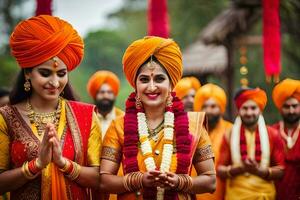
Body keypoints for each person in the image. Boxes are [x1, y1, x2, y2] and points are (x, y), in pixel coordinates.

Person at [100, 36, 216, 200]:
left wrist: (179, 181)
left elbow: (210, 181)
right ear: (136, 84)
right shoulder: (118, 126)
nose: (152, 87)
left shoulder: (193, 125)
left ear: (171, 84)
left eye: (159, 79)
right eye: (144, 79)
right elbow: (104, 181)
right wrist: (140, 180)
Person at [0, 15, 102, 199]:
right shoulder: (6, 117)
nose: (55, 82)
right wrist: (37, 164)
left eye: (61, 74)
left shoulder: (86, 115)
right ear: (28, 73)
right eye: (45, 73)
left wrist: (63, 163)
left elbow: (99, 180)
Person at [217, 87, 285, 200]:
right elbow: (220, 169)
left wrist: (260, 171)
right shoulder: (229, 134)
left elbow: (281, 170)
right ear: (239, 110)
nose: (249, 113)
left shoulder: (272, 134)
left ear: (260, 110)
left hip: (264, 195)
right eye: (245, 108)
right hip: (235, 195)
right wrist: (240, 169)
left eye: (253, 108)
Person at [193, 83, 232, 200]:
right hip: (195, 192)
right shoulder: (193, 131)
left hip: (223, 193)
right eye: (204, 106)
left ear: (221, 108)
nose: (208, 110)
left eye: (213, 106)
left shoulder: (230, 130)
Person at [271, 78, 300, 200]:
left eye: (295, 106)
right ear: (280, 107)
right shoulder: (271, 132)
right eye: (286, 106)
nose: (291, 110)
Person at [87, 70, 124, 138]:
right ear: (95, 95)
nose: (106, 96)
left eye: (109, 92)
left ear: (115, 95)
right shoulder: (86, 118)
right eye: (102, 92)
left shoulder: (123, 118)